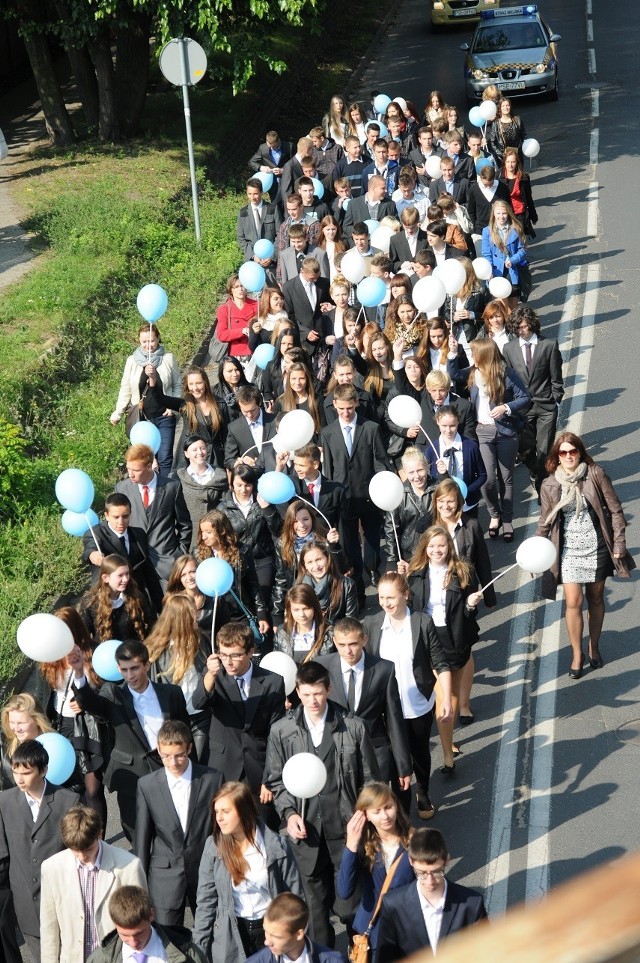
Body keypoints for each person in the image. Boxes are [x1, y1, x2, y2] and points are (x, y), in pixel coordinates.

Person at [265, 661, 380, 948]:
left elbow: (370, 781)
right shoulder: (282, 731)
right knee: (315, 916)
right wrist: (290, 814)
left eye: (317, 693)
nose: (312, 701)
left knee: (352, 907)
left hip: (346, 834)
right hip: (308, 837)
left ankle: (360, 953)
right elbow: (277, 781)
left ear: (328, 689)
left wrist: (362, 818)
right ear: (298, 692)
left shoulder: (353, 727)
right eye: (305, 694)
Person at [71, 639, 190, 842]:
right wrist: (79, 672)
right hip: (130, 777)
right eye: (124, 670)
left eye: (134, 668)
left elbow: (183, 732)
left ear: (147, 665)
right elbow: (91, 703)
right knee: (138, 835)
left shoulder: (171, 693)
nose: (130, 675)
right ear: (118, 669)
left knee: (175, 829)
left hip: (168, 769)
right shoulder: (114, 694)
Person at [536, 433, 634, 678]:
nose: (568, 456)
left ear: (580, 452)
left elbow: (615, 509)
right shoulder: (549, 484)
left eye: (573, 451)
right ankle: (577, 654)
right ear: (556, 457)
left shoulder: (595, 474)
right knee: (573, 602)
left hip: (597, 546)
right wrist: (537, 548)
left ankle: (594, 646)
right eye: (563, 452)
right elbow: (545, 522)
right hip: (567, 550)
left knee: (596, 597)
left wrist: (619, 542)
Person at [363, 572, 453, 819]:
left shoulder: (423, 623)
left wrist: (445, 698)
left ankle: (422, 790)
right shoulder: (371, 625)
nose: (386, 603)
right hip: (385, 709)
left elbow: (440, 662)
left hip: (417, 704)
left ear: (405, 595)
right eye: (381, 597)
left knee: (419, 753)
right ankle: (400, 807)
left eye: (391, 597)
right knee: (393, 760)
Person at [400, 526, 482, 774]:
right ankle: (447, 752)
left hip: (454, 638)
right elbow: (408, 606)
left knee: (451, 694)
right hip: (426, 637)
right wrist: (401, 579)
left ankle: (448, 742)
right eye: (432, 546)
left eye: (442, 546)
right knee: (439, 694)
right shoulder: (415, 573)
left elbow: (470, 614)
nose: (437, 550)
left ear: (449, 547)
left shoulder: (463, 571)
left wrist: (470, 605)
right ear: (425, 547)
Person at [192, 781, 303, 962]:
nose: (219, 818)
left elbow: (295, 896)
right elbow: (206, 902)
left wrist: (297, 942)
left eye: (225, 812)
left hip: (270, 931)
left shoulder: (276, 846)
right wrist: (198, 951)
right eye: (216, 811)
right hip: (232, 933)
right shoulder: (213, 847)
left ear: (243, 812)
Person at [134, 720, 223, 927]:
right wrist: (140, 886)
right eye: (165, 756)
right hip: (164, 877)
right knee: (169, 943)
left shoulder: (213, 779)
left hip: (206, 871)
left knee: (212, 936)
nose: (173, 763)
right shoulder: (147, 785)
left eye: (179, 755)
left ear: (189, 748)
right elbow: (142, 840)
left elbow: (221, 830)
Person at [0, 740, 80, 963]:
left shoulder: (68, 801)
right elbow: (3, 856)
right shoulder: (5, 802)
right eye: (16, 772)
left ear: (43, 770)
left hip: (62, 903)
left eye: (26, 772)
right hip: (26, 906)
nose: (19, 779)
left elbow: (78, 852)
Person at [191, 622, 285, 813]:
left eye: (236, 655)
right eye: (224, 655)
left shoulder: (273, 681)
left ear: (251, 652)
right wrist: (209, 674)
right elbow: (198, 703)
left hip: (258, 771)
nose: (229, 662)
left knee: (263, 830)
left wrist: (270, 778)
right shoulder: (215, 675)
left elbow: (276, 734)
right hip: (222, 767)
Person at [40, 806, 146, 963]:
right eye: (75, 850)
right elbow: (49, 928)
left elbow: (141, 925)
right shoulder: (52, 868)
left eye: (88, 849)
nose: (82, 856)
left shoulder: (129, 866)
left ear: (100, 834)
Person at [316, 619, 411, 789]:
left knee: (374, 805)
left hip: (375, 751)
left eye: (353, 644)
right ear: (334, 642)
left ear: (364, 640)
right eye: (342, 645)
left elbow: (394, 719)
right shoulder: (321, 666)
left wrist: (403, 766)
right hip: (336, 752)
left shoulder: (384, 669)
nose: (348, 651)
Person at [452, 337, 531, 540]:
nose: (472, 356)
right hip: (482, 432)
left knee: (506, 478)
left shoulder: (505, 373)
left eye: (474, 353)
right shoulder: (472, 373)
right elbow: (453, 374)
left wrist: (506, 407)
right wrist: (452, 353)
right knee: (487, 480)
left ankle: (506, 520)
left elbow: (525, 397)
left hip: (505, 432)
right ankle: (493, 513)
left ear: (485, 355)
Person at [431, 479, 496, 726]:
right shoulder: (428, 527)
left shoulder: (470, 525)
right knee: (440, 654)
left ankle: (464, 703)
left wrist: (489, 596)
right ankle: (446, 701)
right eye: (441, 501)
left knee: (465, 649)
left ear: (458, 501)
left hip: (465, 599)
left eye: (450, 500)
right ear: (435, 502)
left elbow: (482, 561)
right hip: (436, 599)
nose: (446, 505)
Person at [38, 607, 109, 823]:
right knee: (70, 785)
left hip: (89, 726)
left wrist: (86, 702)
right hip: (63, 725)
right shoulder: (49, 657)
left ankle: (99, 839)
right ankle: (80, 833)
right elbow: (47, 695)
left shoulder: (94, 653)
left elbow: (105, 692)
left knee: (92, 788)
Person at [320, 383, 389, 602]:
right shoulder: (328, 433)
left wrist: (383, 488)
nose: (346, 413)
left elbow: (380, 462)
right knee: (349, 548)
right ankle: (357, 592)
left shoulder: (371, 428)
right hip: (344, 500)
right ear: (334, 406)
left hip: (369, 496)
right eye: (341, 409)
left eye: (349, 408)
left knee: (371, 544)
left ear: (356, 404)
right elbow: (329, 471)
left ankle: (373, 569)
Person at [375, 828, 487, 961]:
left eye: (436, 872)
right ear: (411, 861)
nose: (430, 881)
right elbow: (385, 957)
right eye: (421, 873)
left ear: (447, 860)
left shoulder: (472, 904)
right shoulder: (393, 904)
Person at [336, 783, 415, 951]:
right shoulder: (362, 846)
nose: (385, 816)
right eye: (376, 811)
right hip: (374, 931)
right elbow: (344, 891)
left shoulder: (414, 840)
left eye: (388, 807)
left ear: (396, 806)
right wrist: (351, 845)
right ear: (365, 816)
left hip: (408, 927)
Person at [502, 304, 564, 493]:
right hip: (522, 409)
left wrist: (556, 397)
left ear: (532, 324)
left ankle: (542, 488)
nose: (521, 330)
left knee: (544, 451)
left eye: (524, 326)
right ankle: (536, 473)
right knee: (527, 450)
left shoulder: (549, 345)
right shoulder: (509, 349)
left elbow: (556, 375)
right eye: (517, 327)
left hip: (545, 406)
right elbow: (508, 380)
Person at [109, 321, 181, 479]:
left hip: (165, 416)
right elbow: (126, 388)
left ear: (158, 339)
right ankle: (149, 489)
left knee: (164, 457)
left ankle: (164, 490)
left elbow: (177, 384)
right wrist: (118, 412)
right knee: (145, 459)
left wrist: (173, 406)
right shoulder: (132, 361)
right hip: (142, 419)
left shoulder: (168, 358)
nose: (149, 345)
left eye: (152, 341)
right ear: (139, 341)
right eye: (144, 342)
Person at [115, 442, 192, 586]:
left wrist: (180, 553)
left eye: (135, 470)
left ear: (149, 466)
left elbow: (185, 524)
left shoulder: (171, 487)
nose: (130, 474)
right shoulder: (122, 488)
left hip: (167, 565)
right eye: (128, 469)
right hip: (136, 566)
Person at [145, 595, 212, 761]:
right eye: (191, 614)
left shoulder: (201, 640)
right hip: (173, 719)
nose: (197, 617)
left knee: (200, 762)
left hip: (200, 714)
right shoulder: (158, 650)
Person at [81, 492, 162, 610]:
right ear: (106, 515)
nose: (121, 522)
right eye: (116, 517)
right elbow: (90, 549)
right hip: (109, 600)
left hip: (136, 599)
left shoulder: (139, 534)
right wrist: (93, 555)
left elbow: (147, 570)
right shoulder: (96, 534)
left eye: (125, 516)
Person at [86, 885, 207, 963]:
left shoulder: (189, 955)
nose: (133, 943)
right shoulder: (98, 960)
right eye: (125, 936)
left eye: (139, 933)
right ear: (115, 924)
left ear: (151, 915)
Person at [196, 510, 269, 636]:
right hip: (212, 615)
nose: (204, 537)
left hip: (238, 613)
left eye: (209, 532)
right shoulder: (198, 554)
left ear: (222, 530)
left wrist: (261, 613)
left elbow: (253, 584)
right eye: (202, 532)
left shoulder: (242, 551)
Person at [219, 463, 281, 612]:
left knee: (262, 602)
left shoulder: (262, 501)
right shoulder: (223, 507)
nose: (243, 490)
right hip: (236, 560)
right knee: (243, 603)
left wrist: (267, 508)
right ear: (232, 484)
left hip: (262, 558)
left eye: (247, 485)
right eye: (239, 485)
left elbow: (277, 529)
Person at [272, 499, 345, 623]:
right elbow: (281, 581)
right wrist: (277, 614)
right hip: (299, 601)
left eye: (305, 519)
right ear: (289, 522)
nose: (301, 525)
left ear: (312, 519)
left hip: (326, 601)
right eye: (296, 521)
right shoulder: (283, 544)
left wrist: (333, 546)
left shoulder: (324, 537)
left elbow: (341, 569)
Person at [246, 892, 347, 963]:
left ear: (299, 934)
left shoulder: (334, 961)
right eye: (266, 932)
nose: (267, 942)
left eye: (276, 936)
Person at [78, 553, 152, 644]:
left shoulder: (136, 597)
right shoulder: (90, 602)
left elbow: (149, 624)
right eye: (120, 575)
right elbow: (83, 635)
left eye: (127, 574)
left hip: (131, 653)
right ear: (105, 578)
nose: (125, 579)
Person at [427, 404, 487, 516]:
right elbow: (429, 480)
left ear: (458, 422)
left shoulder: (470, 446)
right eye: (444, 426)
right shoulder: (431, 450)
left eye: (452, 426)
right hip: (444, 508)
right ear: (437, 423)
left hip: (468, 505)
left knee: (470, 532)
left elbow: (482, 475)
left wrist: (465, 491)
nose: (448, 430)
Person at [383, 448, 437, 568]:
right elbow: (391, 528)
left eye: (420, 470)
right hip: (410, 555)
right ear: (405, 473)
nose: (417, 476)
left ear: (427, 468)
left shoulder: (438, 488)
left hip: (437, 550)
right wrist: (392, 561)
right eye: (411, 472)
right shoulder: (398, 493)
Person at [177, 434, 229, 549]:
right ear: (186, 454)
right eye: (194, 449)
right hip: (191, 536)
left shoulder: (220, 475)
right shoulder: (179, 477)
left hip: (216, 535)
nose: (200, 452)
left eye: (203, 448)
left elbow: (226, 505)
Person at [296, 541, 358, 627]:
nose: (316, 566)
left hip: (336, 635)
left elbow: (351, 622)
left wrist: (326, 626)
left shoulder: (347, 585)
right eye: (310, 562)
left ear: (328, 558)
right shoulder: (298, 587)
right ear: (305, 565)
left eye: (318, 559)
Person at [178, 365, 229, 468]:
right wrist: (153, 378)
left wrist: (229, 462)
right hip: (194, 458)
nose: (195, 388)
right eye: (191, 384)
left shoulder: (220, 404)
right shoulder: (185, 406)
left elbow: (226, 436)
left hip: (216, 458)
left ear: (205, 383)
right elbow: (160, 399)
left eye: (199, 383)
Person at [283, 258, 332, 359]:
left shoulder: (324, 283)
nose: (315, 280)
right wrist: (305, 332)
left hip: (323, 340)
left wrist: (330, 307)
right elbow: (289, 316)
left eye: (317, 277)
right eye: (311, 278)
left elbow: (331, 303)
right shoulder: (289, 287)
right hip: (302, 342)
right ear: (302, 271)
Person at [224, 384, 279, 473]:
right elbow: (229, 460)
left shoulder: (275, 421)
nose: (249, 415)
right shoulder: (234, 428)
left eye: (253, 410)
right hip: (251, 479)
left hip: (275, 473)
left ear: (259, 403)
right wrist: (240, 462)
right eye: (245, 411)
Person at [482, 200, 529, 304]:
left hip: (513, 271)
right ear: (493, 214)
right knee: (500, 306)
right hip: (496, 272)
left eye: (504, 213)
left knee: (512, 308)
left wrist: (512, 260)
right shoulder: (487, 231)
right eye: (498, 213)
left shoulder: (516, 228)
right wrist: (489, 271)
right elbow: (486, 254)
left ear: (508, 213)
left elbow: (523, 249)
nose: (501, 216)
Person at [273, 584, 334, 664]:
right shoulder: (282, 632)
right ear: (290, 610)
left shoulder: (329, 633)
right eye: (296, 610)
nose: (302, 614)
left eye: (306, 609)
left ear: (314, 607)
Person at [236, 178, 283, 262]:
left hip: (271, 259)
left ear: (261, 193)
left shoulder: (272, 209)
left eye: (255, 194)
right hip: (252, 259)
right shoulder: (243, 213)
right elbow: (241, 238)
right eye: (250, 194)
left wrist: (272, 256)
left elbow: (280, 234)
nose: (252, 197)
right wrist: (253, 256)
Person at [217, 275, 259, 366]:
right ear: (231, 290)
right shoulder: (224, 309)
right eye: (236, 287)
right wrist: (242, 331)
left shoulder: (257, 305)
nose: (240, 289)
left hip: (255, 351)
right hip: (236, 355)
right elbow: (221, 335)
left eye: (242, 285)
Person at [467, 162, 511, 236]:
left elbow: (508, 207)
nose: (488, 187)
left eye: (490, 184)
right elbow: (471, 211)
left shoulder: (503, 188)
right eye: (485, 184)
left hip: (500, 227)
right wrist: (475, 226)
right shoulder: (473, 189)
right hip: (481, 228)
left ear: (494, 178)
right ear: (480, 178)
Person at [501, 147, 537, 237]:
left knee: (518, 238)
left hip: (520, 214)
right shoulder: (500, 180)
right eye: (508, 162)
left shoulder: (524, 178)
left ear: (517, 163)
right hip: (506, 214)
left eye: (513, 162)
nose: (510, 165)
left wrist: (533, 215)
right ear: (504, 163)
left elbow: (529, 197)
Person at [487, 96, 526, 167]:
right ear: (500, 108)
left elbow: (524, 136)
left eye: (507, 105)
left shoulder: (517, 119)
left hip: (517, 154)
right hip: (503, 156)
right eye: (503, 106)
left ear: (510, 106)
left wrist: (526, 148)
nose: (506, 108)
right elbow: (493, 142)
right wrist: (501, 154)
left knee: (518, 175)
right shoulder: (496, 123)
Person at [215, 357, 251, 422]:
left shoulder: (251, 389)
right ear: (222, 373)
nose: (235, 374)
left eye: (237, 370)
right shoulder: (215, 394)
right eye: (230, 371)